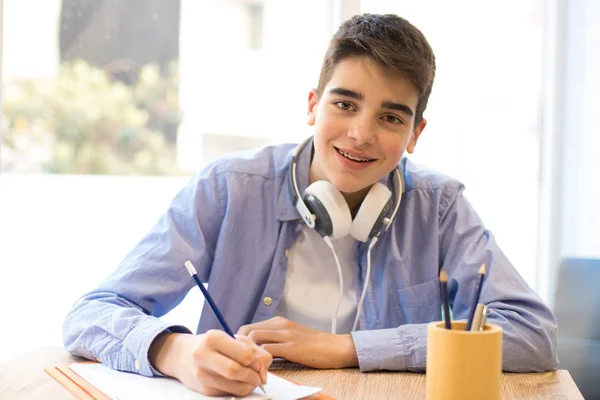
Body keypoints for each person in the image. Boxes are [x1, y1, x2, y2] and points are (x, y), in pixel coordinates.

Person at [63, 13, 558, 397]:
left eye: (390, 117)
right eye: (345, 104)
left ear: (415, 135)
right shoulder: (229, 187)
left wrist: (348, 349)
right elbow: (92, 314)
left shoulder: (441, 206)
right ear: (311, 106)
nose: (361, 133)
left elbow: (533, 334)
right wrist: (175, 351)